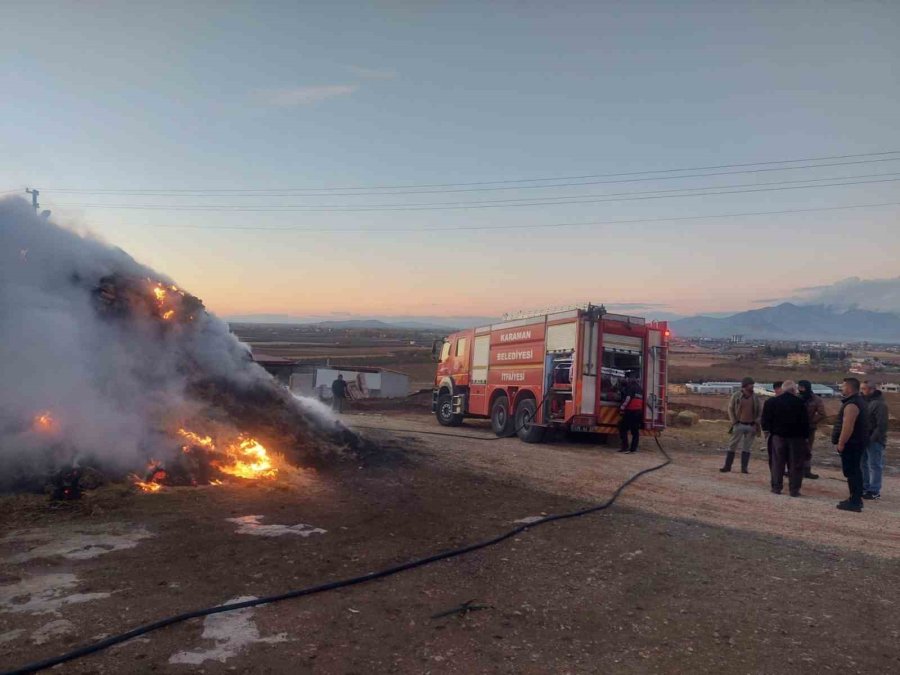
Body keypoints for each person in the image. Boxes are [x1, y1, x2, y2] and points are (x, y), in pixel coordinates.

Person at [761, 380, 809, 497]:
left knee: (777, 463)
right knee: (795, 465)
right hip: (796, 439)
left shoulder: (772, 402)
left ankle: (776, 487)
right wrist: (805, 438)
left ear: (782, 389)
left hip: (778, 437)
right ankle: (794, 490)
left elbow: (765, 420)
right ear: (794, 390)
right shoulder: (800, 403)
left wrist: (768, 431)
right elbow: (805, 422)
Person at [832, 378, 868, 512]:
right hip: (857, 443)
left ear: (850, 388)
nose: (841, 388)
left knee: (852, 472)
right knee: (854, 471)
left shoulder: (852, 405)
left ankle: (855, 501)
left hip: (851, 444)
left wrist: (841, 443)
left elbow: (848, 427)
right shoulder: (859, 401)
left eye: (843, 386)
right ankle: (855, 498)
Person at [722, 377, 761, 474]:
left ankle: (744, 468)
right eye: (751, 384)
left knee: (747, 447)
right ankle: (727, 466)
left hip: (751, 425)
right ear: (745, 385)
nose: (752, 386)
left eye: (753, 384)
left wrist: (756, 422)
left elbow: (760, 411)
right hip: (739, 424)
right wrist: (734, 421)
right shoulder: (736, 396)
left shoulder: (755, 397)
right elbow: (730, 408)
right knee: (732, 445)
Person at [861, 381, 889, 501]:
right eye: (861, 388)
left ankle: (874, 490)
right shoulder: (864, 402)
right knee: (863, 464)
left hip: (875, 440)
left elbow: (881, 425)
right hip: (863, 438)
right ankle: (865, 487)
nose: (862, 391)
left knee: (875, 465)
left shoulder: (879, 404)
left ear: (871, 389)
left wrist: (872, 439)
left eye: (864, 389)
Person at [797, 380, 826, 480]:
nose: (800, 390)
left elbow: (822, 414)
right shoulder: (796, 398)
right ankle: (795, 469)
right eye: (799, 387)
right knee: (795, 449)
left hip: (809, 429)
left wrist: (810, 422)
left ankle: (807, 471)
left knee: (807, 450)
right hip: (796, 428)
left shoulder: (816, 400)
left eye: (802, 388)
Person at [618, 372, 644, 453]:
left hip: (630, 411)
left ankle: (625, 446)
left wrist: (622, 407)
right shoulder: (640, 388)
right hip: (638, 412)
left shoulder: (630, 387)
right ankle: (633, 449)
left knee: (622, 428)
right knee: (635, 431)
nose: (627, 379)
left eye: (627, 378)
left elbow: (628, 398)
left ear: (630, 379)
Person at [761, 381, 784, 470]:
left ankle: (781, 471)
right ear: (777, 389)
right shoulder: (770, 402)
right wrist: (766, 430)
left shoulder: (787, 402)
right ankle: (774, 472)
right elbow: (765, 417)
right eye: (782, 388)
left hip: (785, 433)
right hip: (773, 433)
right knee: (773, 454)